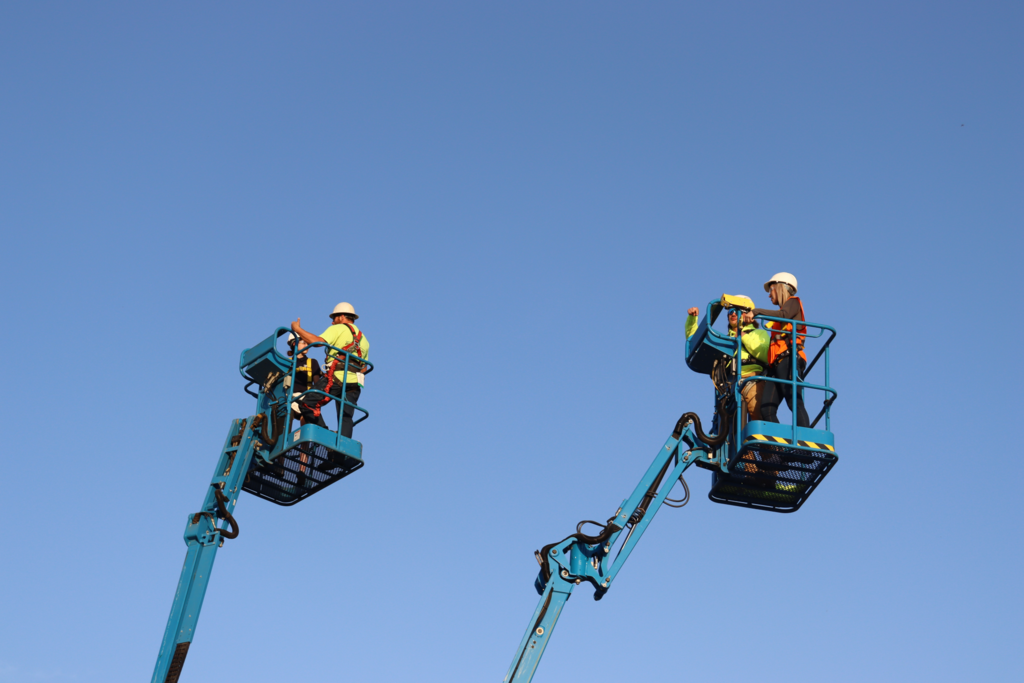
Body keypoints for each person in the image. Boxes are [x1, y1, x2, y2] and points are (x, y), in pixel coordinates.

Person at [290, 302, 370, 438]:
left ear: (342, 317)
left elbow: (317, 342)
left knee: (307, 404)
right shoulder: (364, 339)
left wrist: (297, 329)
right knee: (346, 418)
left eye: (334, 318)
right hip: (354, 384)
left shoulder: (338, 329)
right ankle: (341, 454)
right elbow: (364, 368)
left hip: (336, 377)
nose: (333, 322)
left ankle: (325, 435)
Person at [685, 302, 769, 423]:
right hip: (728, 386)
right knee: (725, 426)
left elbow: (766, 354)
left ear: (749, 314)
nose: (733, 313)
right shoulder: (725, 340)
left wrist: (743, 336)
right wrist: (692, 320)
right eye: (730, 311)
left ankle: (761, 440)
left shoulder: (759, 333)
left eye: (737, 310)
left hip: (752, 378)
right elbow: (695, 343)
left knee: (757, 414)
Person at [750, 272, 810, 428]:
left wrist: (757, 311)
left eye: (771, 290)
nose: (769, 295)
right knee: (766, 408)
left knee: (793, 401)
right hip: (776, 364)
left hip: (790, 358)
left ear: (781, 288)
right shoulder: (779, 318)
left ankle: (804, 439)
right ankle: (777, 446)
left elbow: (783, 314)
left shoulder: (793, 303)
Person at [286, 333, 322, 424]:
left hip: (306, 399)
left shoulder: (312, 362)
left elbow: (317, 384)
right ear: (294, 344)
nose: (307, 345)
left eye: (308, 343)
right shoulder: (286, 363)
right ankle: (284, 438)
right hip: (289, 398)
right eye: (303, 342)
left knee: (306, 418)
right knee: (286, 416)